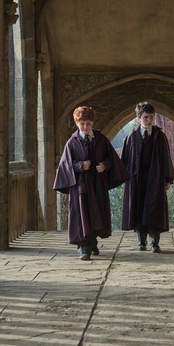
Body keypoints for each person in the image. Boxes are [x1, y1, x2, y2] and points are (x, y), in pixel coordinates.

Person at [54, 106, 129, 260]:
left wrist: (105, 166)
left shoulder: (101, 139)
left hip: (97, 184)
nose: (85, 127)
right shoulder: (72, 142)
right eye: (82, 124)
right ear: (77, 124)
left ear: (92, 123)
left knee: (96, 214)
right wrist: (80, 166)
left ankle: (92, 241)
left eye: (88, 124)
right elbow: (66, 164)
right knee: (82, 214)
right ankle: (83, 247)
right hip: (80, 186)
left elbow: (111, 158)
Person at [120, 102, 174, 253]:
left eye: (152, 117)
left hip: (155, 180)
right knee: (138, 209)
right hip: (137, 180)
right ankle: (141, 242)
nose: (149, 120)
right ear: (138, 118)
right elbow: (124, 160)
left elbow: (166, 158)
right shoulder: (131, 138)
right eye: (146, 117)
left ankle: (155, 243)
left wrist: (168, 179)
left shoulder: (160, 136)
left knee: (154, 210)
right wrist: (125, 179)